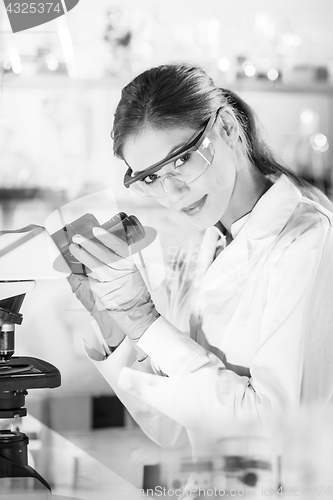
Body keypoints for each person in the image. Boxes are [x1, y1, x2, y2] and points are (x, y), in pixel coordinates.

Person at [67, 64, 333, 454]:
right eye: (150, 179)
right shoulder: (198, 249)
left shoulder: (311, 241)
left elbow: (272, 434)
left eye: (181, 160)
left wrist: (146, 321)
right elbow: (176, 430)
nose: (172, 193)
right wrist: (115, 324)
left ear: (226, 128)